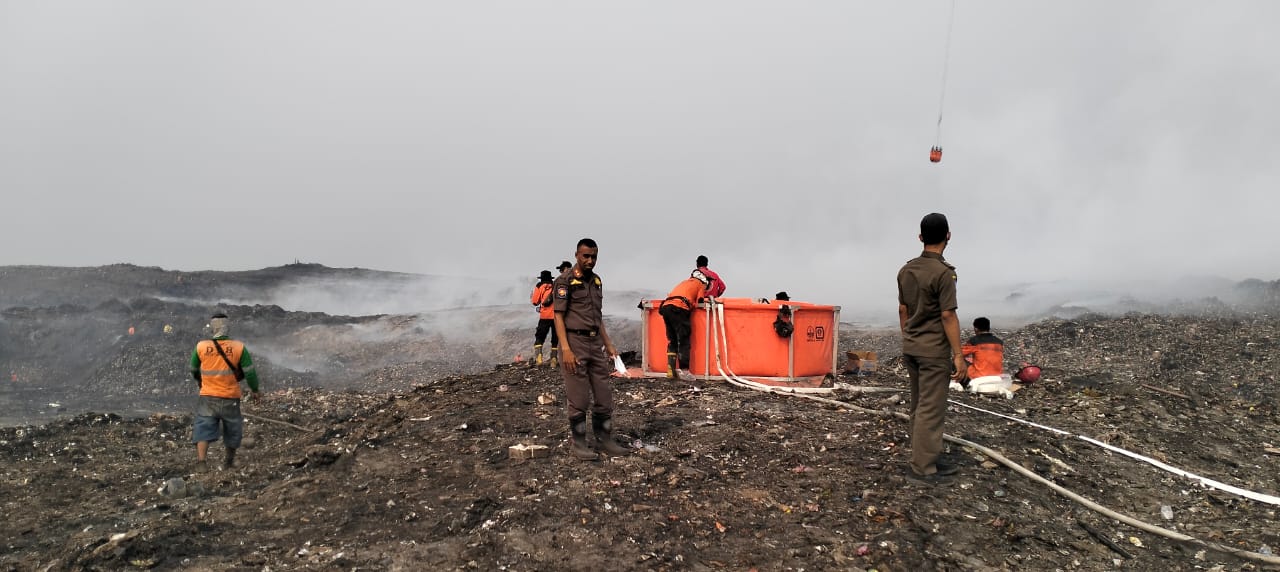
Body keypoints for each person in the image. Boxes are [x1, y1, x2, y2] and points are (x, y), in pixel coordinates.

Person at [897, 213, 965, 480]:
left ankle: (927, 457)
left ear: (921, 238)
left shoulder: (906, 270)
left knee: (918, 405)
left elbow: (903, 310)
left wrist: (909, 338)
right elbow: (948, 315)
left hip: (912, 347)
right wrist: (958, 355)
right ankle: (922, 468)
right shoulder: (944, 274)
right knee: (930, 409)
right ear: (948, 236)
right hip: (933, 351)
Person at [552, 238, 630, 460]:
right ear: (577, 255)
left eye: (594, 256)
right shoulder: (564, 281)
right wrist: (565, 349)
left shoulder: (596, 281)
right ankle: (579, 444)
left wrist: (608, 343)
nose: (590, 260)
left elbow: (598, 316)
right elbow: (558, 317)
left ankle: (605, 440)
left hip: (595, 343)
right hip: (574, 343)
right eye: (586, 256)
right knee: (579, 398)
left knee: (604, 394)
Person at [188, 312, 261, 470]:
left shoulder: (201, 347)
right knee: (233, 428)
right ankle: (229, 461)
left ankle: (201, 462)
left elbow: (193, 368)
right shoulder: (238, 348)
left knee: (203, 426)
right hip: (230, 397)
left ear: (212, 329)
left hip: (208, 396)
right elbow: (249, 372)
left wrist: (200, 381)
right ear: (228, 328)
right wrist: (255, 390)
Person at [659, 270, 711, 378]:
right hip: (679, 308)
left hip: (666, 307)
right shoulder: (700, 284)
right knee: (684, 340)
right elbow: (700, 301)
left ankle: (671, 370)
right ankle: (685, 371)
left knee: (672, 340)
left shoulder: (684, 282)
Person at [961, 317, 1005, 387]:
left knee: (957, 361)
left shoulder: (974, 341)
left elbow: (960, 353)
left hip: (979, 377)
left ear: (976, 329)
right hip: (997, 376)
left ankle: (964, 384)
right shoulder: (999, 342)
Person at [529, 270, 558, 366]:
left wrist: (531, 297)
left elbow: (535, 302)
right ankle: (554, 359)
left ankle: (539, 358)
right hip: (557, 316)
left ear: (541, 278)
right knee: (555, 338)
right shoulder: (556, 286)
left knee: (539, 337)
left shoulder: (539, 286)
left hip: (545, 316)